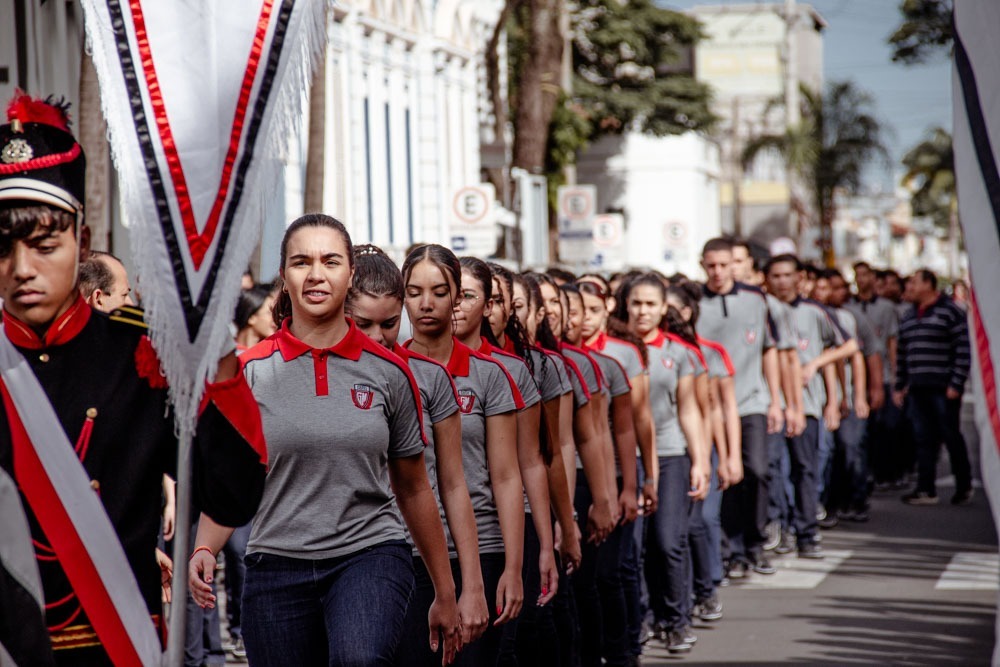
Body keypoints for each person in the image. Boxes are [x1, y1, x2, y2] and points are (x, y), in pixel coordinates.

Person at [0, 92, 266, 666]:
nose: (22, 269)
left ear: (82, 238)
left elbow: (234, 492)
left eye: (44, 245)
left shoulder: (138, 356)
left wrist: (214, 357)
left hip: (115, 646)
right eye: (3, 249)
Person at [189, 216, 460, 666]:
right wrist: (204, 547)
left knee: (358, 659)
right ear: (284, 276)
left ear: (350, 274)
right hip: (274, 564)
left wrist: (445, 591)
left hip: (368, 554)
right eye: (301, 262)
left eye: (330, 261)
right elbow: (230, 481)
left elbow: (414, 487)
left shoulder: (391, 373)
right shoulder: (248, 372)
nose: (316, 273)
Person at [345, 244, 489, 665]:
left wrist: (469, 584)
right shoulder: (296, 371)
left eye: (388, 324)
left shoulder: (427, 378)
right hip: (346, 559)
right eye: (363, 324)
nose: (377, 337)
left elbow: (452, 484)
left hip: (421, 557)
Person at [400, 244, 524, 666]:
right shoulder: (387, 370)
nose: (427, 303)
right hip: (404, 551)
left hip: (479, 550)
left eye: (439, 291)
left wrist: (512, 566)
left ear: (458, 296)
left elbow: (507, 477)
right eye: (414, 291)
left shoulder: (491, 375)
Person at [619, 273, 709, 655]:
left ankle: (674, 619)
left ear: (663, 309)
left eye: (650, 304)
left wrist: (701, 461)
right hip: (627, 458)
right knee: (633, 548)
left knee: (668, 541)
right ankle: (639, 620)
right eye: (636, 303)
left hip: (671, 454)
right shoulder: (615, 349)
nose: (642, 311)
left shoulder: (679, 352)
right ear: (625, 305)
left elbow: (689, 410)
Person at [697, 238, 784, 578]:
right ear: (703, 265)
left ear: (735, 264)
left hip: (751, 401)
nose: (718, 272)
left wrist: (776, 400)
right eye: (712, 265)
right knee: (724, 477)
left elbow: (770, 350)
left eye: (725, 264)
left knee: (757, 470)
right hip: (712, 408)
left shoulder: (756, 300)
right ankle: (730, 550)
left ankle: (755, 542)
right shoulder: (695, 301)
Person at [765, 255, 856, 558]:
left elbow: (846, 346)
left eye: (787, 275)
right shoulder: (762, 309)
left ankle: (807, 532)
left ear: (799, 278)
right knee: (774, 469)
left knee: (805, 469)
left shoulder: (814, 311)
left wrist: (828, 388)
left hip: (807, 404)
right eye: (775, 275)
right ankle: (782, 526)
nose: (781, 281)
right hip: (772, 404)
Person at [893, 269, 973, 506]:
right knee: (923, 438)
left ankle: (964, 484)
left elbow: (962, 349)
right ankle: (925, 489)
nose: (910, 286)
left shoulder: (950, 312)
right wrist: (900, 385)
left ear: (929, 284)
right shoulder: (908, 316)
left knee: (950, 435)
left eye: (915, 282)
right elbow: (902, 353)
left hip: (943, 387)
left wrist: (956, 383)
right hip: (918, 388)